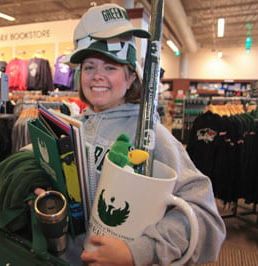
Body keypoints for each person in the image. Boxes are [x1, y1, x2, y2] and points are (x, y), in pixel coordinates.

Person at [32, 3, 226, 265]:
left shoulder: (151, 136)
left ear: (130, 78)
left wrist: (139, 252)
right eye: (89, 67)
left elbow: (206, 219)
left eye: (110, 67)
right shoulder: (71, 128)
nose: (97, 76)